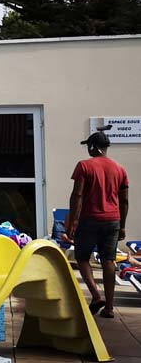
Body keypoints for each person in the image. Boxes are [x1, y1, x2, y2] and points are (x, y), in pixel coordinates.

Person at [65, 130, 130, 318]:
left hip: (89, 220)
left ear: (93, 147)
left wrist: (73, 223)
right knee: (108, 260)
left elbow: (77, 195)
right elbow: (124, 200)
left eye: (88, 146)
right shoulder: (120, 169)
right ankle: (109, 308)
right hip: (113, 220)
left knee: (82, 257)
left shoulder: (84, 166)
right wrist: (123, 225)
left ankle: (95, 295)